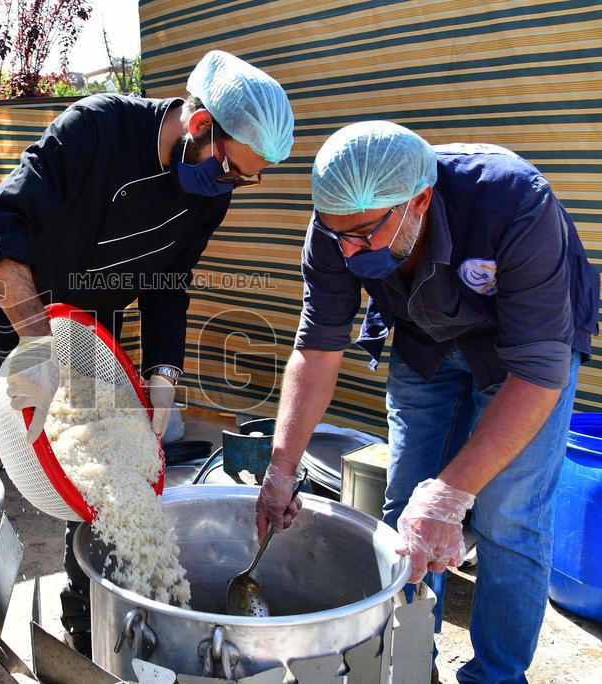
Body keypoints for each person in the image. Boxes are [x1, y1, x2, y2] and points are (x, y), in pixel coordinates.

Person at [0, 50, 294, 655]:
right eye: (234, 170)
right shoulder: (97, 130)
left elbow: (170, 285)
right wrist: (35, 345)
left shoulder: (208, 191)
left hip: (91, 344)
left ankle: (89, 638)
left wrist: (163, 375)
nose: (236, 186)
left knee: (100, 488)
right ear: (198, 127)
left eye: (248, 177)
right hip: (13, 327)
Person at [254, 121, 599, 684]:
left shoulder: (513, 203)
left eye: (363, 235)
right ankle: (410, 665)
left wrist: (453, 493)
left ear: (419, 199)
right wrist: (281, 467)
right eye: (337, 235)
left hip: (525, 359)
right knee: (405, 510)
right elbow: (317, 349)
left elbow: (539, 375)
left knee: (509, 517)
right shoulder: (339, 224)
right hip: (425, 340)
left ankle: (497, 676)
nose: (348, 249)